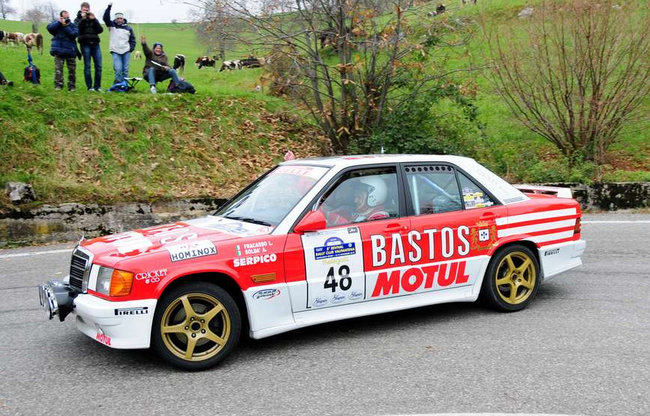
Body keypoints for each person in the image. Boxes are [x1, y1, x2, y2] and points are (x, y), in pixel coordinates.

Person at [324, 177, 390, 226]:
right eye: (355, 196)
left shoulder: (380, 217)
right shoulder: (353, 211)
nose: (355, 200)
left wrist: (330, 215)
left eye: (359, 197)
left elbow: (360, 230)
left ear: (374, 197)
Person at [103, 3, 135, 84]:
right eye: (118, 18)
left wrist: (131, 48)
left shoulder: (128, 28)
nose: (119, 20)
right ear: (115, 19)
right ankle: (117, 84)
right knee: (118, 69)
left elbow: (132, 39)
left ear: (123, 19)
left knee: (125, 70)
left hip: (126, 51)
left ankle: (125, 85)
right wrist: (109, 7)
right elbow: (105, 18)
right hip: (115, 50)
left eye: (121, 18)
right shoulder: (111, 26)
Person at [47, 10, 79, 91]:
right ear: (61, 16)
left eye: (66, 16)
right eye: (63, 16)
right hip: (58, 50)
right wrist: (59, 22)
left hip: (70, 50)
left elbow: (74, 34)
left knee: (72, 70)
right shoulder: (56, 24)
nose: (65, 18)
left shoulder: (72, 25)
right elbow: (49, 28)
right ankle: (58, 85)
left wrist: (65, 26)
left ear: (68, 16)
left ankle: (71, 86)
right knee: (58, 69)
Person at [74, 2, 103, 91]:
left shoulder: (93, 18)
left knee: (99, 66)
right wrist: (83, 19)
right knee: (87, 66)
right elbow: (78, 30)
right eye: (84, 10)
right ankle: (90, 87)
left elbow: (100, 30)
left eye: (87, 10)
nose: (86, 11)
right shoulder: (77, 19)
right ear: (81, 10)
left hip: (95, 44)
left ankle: (97, 87)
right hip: (85, 44)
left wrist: (94, 19)